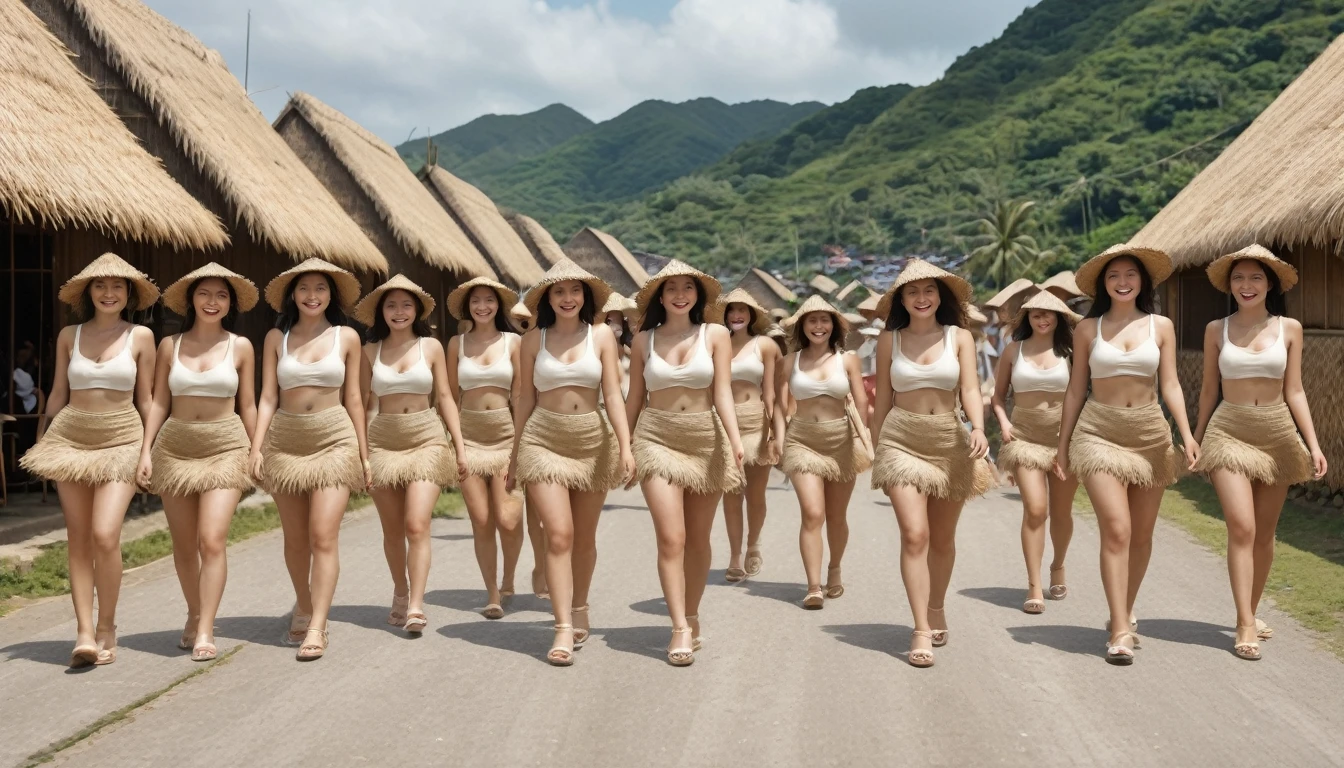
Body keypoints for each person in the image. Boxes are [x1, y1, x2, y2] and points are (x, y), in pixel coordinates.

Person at [1056, 244, 1198, 666]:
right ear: (1104, 283)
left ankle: (1124, 608)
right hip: (1098, 431)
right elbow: (1075, 389)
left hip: (1151, 434)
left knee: (1141, 534)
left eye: (1130, 274)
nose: (1122, 281)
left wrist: (1186, 434)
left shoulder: (1162, 326)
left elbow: (1170, 384)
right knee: (1117, 529)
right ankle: (1119, 628)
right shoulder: (1087, 330)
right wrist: (1063, 446)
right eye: (1114, 275)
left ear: (1142, 281)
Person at [21, 253, 159, 667]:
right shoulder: (69, 335)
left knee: (104, 534)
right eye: (100, 285)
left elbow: (148, 399)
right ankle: (83, 632)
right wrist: (44, 441)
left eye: (117, 286)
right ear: (88, 292)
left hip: (122, 438)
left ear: (129, 293)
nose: (109, 292)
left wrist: (148, 450)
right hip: (72, 438)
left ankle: (107, 626)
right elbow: (59, 392)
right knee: (78, 539)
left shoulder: (141, 337)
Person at [1192, 245, 1327, 661]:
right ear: (1228, 285)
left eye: (1255, 278)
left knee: (1265, 534)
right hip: (1229, 430)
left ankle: (1249, 608)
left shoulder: (1290, 328)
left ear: (1270, 284)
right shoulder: (1217, 328)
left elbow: (1295, 390)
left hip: (1277, 434)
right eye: (1238, 278)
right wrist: (1196, 437)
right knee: (1242, 527)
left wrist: (1313, 443)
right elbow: (1210, 390)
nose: (1245, 286)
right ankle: (1246, 622)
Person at [507, 259, 635, 666]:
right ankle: (562, 625)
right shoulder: (532, 341)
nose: (567, 298)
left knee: (583, 537)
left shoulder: (600, 336)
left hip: (593, 440)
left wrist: (625, 446)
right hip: (543, 439)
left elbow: (613, 395)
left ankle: (579, 605)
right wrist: (515, 453)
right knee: (557, 533)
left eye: (575, 291)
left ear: (586, 297)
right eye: (559, 292)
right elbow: (525, 398)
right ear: (547, 298)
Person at [869, 259, 992, 668]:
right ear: (901, 299)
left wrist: (977, 426)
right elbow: (882, 401)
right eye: (912, 292)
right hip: (901, 439)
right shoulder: (891, 340)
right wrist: (877, 452)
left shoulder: (959, 337)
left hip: (949, 440)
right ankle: (920, 627)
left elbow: (970, 388)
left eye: (929, 291)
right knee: (914, 534)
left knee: (941, 539)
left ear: (941, 296)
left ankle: (936, 605)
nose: (922, 299)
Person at [250, 258, 369, 661]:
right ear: (292, 296)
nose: (312, 296)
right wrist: (256, 446)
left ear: (330, 295)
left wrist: (364, 453)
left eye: (320, 289)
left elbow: (355, 398)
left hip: (335, 438)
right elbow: (267, 396)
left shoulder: (346, 337)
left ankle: (318, 624)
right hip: (285, 441)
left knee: (323, 534)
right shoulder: (274, 338)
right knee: (296, 538)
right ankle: (303, 602)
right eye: (304, 289)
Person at [138, 264, 258, 661]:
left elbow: (250, 405)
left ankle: (206, 627)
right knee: (184, 545)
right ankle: (193, 612)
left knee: (212, 539)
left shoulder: (240, 346)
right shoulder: (169, 345)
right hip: (175, 447)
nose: (212, 302)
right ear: (191, 300)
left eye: (221, 295)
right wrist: (145, 450)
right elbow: (158, 401)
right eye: (204, 294)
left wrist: (258, 449)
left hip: (226, 445)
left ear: (230, 304)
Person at [627, 261, 744, 666]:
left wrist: (734, 440)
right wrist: (624, 446)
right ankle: (677, 626)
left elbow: (723, 393)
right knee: (671, 538)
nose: (680, 294)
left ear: (699, 295)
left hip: (705, 438)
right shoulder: (643, 338)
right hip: (656, 437)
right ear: (660, 297)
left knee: (698, 539)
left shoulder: (716, 335)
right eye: (671, 288)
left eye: (687, 287)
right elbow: (633, 398)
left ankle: (691, 614)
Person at [357, 276, 466, 635]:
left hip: (427, 439)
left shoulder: (431, 347)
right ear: (381, 312)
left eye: (406, 305)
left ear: (417, 310)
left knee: (416, 524)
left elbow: (446, 397)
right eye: (391, 305)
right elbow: (359, 404)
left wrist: (459, 446)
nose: (399, 312)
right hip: (383, 441)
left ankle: (417, 605)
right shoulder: (368, 351)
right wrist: (362, 455)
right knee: (392, 530)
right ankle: (400, 592)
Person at [775, 296, 872, 610]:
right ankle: (814, 585)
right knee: (812, 514)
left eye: (825, 320)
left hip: (841, 442)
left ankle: (835, 568)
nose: (819, 326)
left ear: (834, 326)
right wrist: (778, 439)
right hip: (802, 441)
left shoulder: (848, 360)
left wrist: (863, 438)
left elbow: (861, 403)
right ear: (803, 326)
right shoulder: (789, 362)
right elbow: (779, 406)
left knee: (836, 516)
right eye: (812, 320)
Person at [991, 288, 1080, 615]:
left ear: (1059, 318)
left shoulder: (1070, 351)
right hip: (1024, 437)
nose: (1043, 318)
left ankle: (1058, 565)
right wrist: (1004, 425)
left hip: (1064, 437)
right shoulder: (1013, 351)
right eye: (1036, 313)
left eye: (1049, 313)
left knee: (1062, 512)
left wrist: (1067, 444)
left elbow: (1081, 396)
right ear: (1027, 317)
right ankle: (1033, 586)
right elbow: (998, 398)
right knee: (1036, 509)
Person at [445, 277, 526, 618]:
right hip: (469, 439)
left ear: (498, 305)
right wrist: (456, 446)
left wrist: (519, 448)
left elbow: (521, 396)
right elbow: (448, 395)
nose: (482, 306)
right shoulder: (456, 344)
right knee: (480, 519)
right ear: (468, 306)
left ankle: (509, 578)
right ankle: (492, 592)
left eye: (488, 300)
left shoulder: (513, 342)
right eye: (475, 301)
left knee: (507, 519)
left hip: (505, 438)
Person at [709, 289, 782, 583]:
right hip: (724, 426)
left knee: (755, 495)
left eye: (742, 310)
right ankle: (735, 556)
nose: (736, 315)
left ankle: (753, 544)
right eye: (731, 310)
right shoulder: (714, 343)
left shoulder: (763, 345)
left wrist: (776, 433)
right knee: (731, 493)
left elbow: (771, 393)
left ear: (752, 315)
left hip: (757, 425)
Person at [598, 293, 636, 397]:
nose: (616, 324)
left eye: (620, 319)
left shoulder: (628, 348)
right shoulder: (597, 346)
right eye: (609, 321)